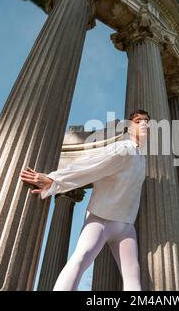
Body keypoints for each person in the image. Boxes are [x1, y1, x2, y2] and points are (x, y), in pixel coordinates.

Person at [19, 110, 150, 291]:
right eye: (138, 121)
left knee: (133, 277)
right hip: (101, 220)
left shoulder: (142, 158)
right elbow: (90, 165)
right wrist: (54, 179)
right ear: (129, 126)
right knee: (80, 260)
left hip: (126, 226)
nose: (144, 124)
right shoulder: (122, 147)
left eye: (146, 121)